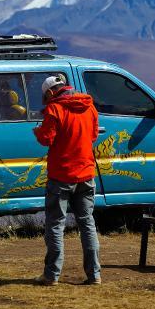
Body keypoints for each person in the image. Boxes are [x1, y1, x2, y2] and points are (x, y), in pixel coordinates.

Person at [32, 75, 102, 286]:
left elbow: (46, 138)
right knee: (87, 223)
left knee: (55, 225)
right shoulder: (89, 106)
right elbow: (93, 135)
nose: (46, 101)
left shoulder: (54, 109)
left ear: (51, 93)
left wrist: (38, 131)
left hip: (61, 176)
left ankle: (51, 275)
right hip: (86, 173)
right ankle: (94, 274)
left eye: (46, 97)